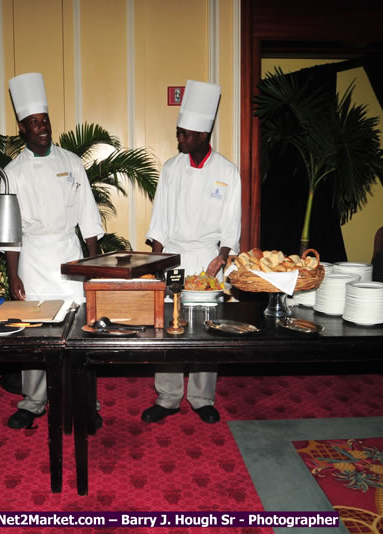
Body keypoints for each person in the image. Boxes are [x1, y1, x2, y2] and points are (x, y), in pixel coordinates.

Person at [1, 72, 105, 429]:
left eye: (44, 120)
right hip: (32, 258)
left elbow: (88, 216)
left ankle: (85, 401)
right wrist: (13, 273)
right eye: (34, 123)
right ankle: (33, 402)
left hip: (68, 255)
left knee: (78, 335)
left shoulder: (71, 162)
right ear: (22, 129)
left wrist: (92, 262)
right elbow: (10, 230)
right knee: (34, 334)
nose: (42, 127)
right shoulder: (11, 172)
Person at [142, 80, 241, 424]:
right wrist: (156, 264)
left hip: (208, 260)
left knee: (206, 328)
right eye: (178, 132)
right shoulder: (170, 169)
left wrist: (222, 256)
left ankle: (202, 397)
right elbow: (159, 222)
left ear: (202, 135)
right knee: (169, 326)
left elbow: (231, 224)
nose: (179, 139)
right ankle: (168, 396)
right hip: (174, 256)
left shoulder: (227, 172)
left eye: (184, 133)